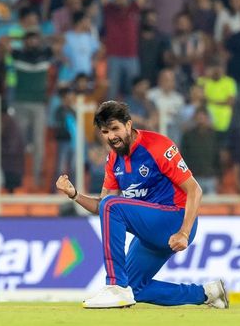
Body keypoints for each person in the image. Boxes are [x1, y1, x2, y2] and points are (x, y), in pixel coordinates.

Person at [55, 100, 228, 309]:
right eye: (105, 132)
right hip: (151, 230)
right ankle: (209, 293)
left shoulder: (157, 146)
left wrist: (184, 232)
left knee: (112, 207)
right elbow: (103, 207)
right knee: (135, 288)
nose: (111, 136)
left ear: (129, 125)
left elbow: (195, 190)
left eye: (115, 128)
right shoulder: (113, 160)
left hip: (175, 220)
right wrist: (74, 194)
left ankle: (115, 286)